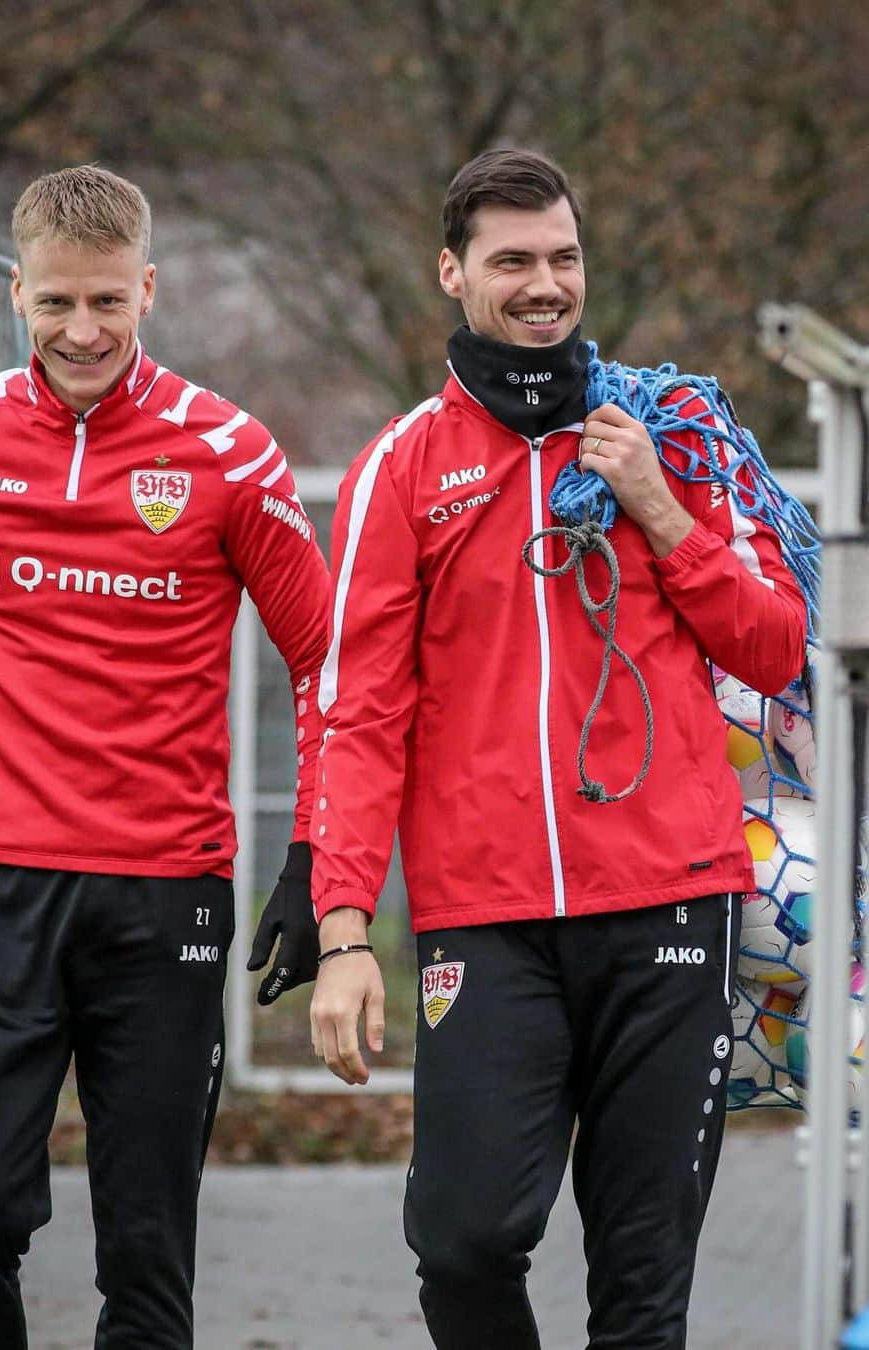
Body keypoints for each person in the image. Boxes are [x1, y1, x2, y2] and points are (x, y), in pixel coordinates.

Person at [0, 165, 327, 1350]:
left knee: (146, 1255)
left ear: (147, 290)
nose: (82, 333)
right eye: (55, 306)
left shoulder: (230, 453)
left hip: (166, 899)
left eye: (108, 305)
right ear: (16, 292)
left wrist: (313, 864)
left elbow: (327, 663)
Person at [308, 147, 807, 1349]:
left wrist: (661, 508)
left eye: (564, 258)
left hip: (672, 906)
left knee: (644, 1294)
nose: (545, 283)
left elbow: (776, 644)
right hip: (487, 923)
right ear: (453, 272)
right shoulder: (399, 467)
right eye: (513, 260)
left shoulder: (670, 434)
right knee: (466, 1245)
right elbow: (357, 713)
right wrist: (342, 931)